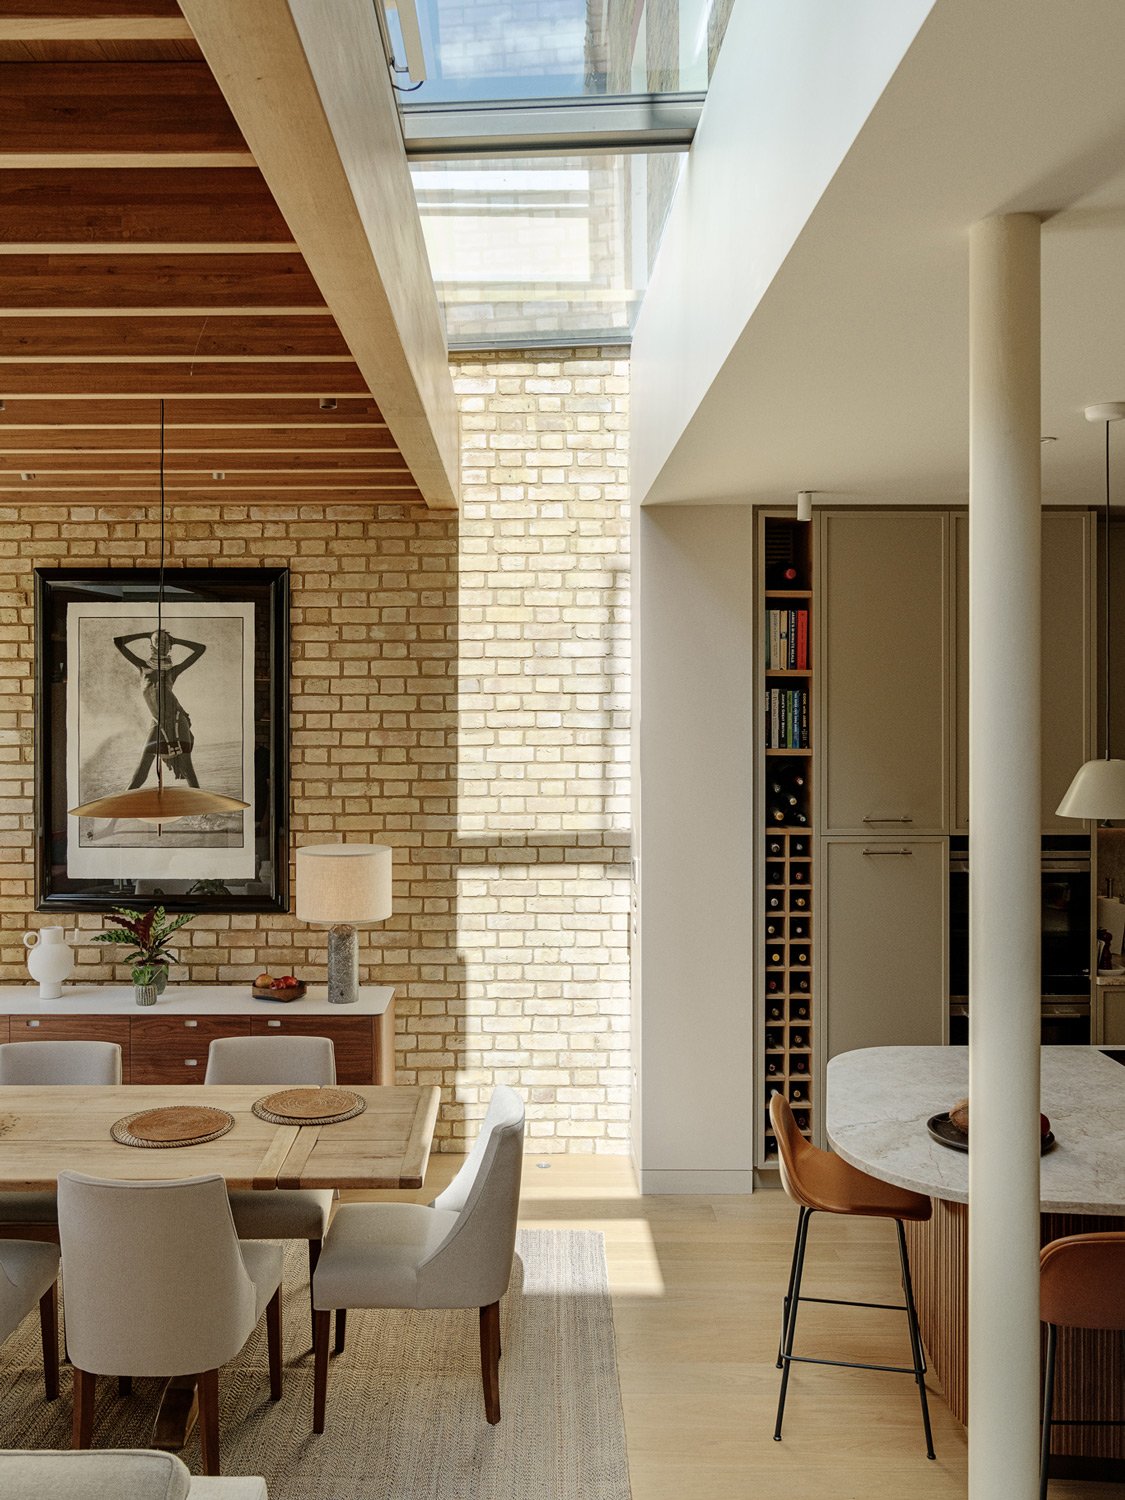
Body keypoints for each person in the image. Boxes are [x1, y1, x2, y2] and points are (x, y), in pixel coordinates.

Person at [114, 629, 205, 790]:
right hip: (157, 723)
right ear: (152, 645)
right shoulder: (142, 667)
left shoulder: (172, 671)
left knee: (187, 767)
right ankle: (120, 807)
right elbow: (118, 642)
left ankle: (202, 810)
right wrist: (145, 634)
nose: (162, 644)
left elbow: (200, 649)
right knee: (141, 772)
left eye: (166, 642)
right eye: (158, 641)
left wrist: (175, 640)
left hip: (178, 719)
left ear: (170, 647)